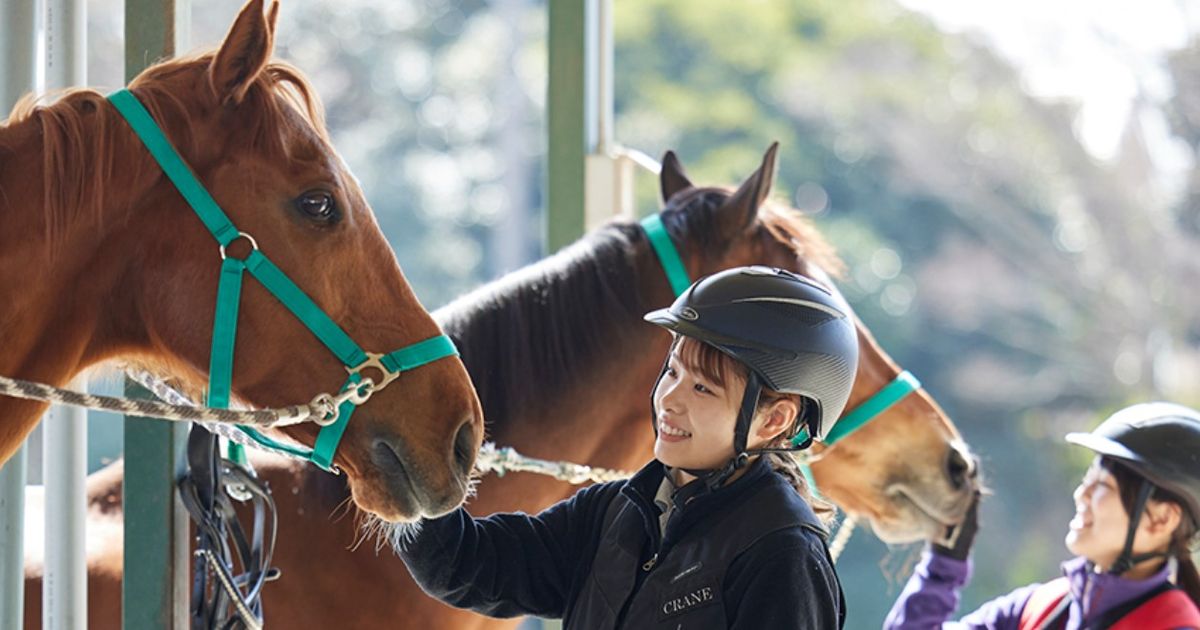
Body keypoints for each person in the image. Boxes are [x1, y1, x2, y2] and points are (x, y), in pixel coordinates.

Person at [396, 266, 859, 629]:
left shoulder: (783, 556)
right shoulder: (617, 510)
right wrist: (408, 462)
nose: (670, 399)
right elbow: (467, 565)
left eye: (703, 389)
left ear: (773, 420)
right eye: (674, 372)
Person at [885, 402, 1200, 629]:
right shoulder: (1043, 607)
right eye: (1085, 482)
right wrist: (945, 560)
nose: (1081, 496)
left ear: (1163, 519)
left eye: (1102, 486)